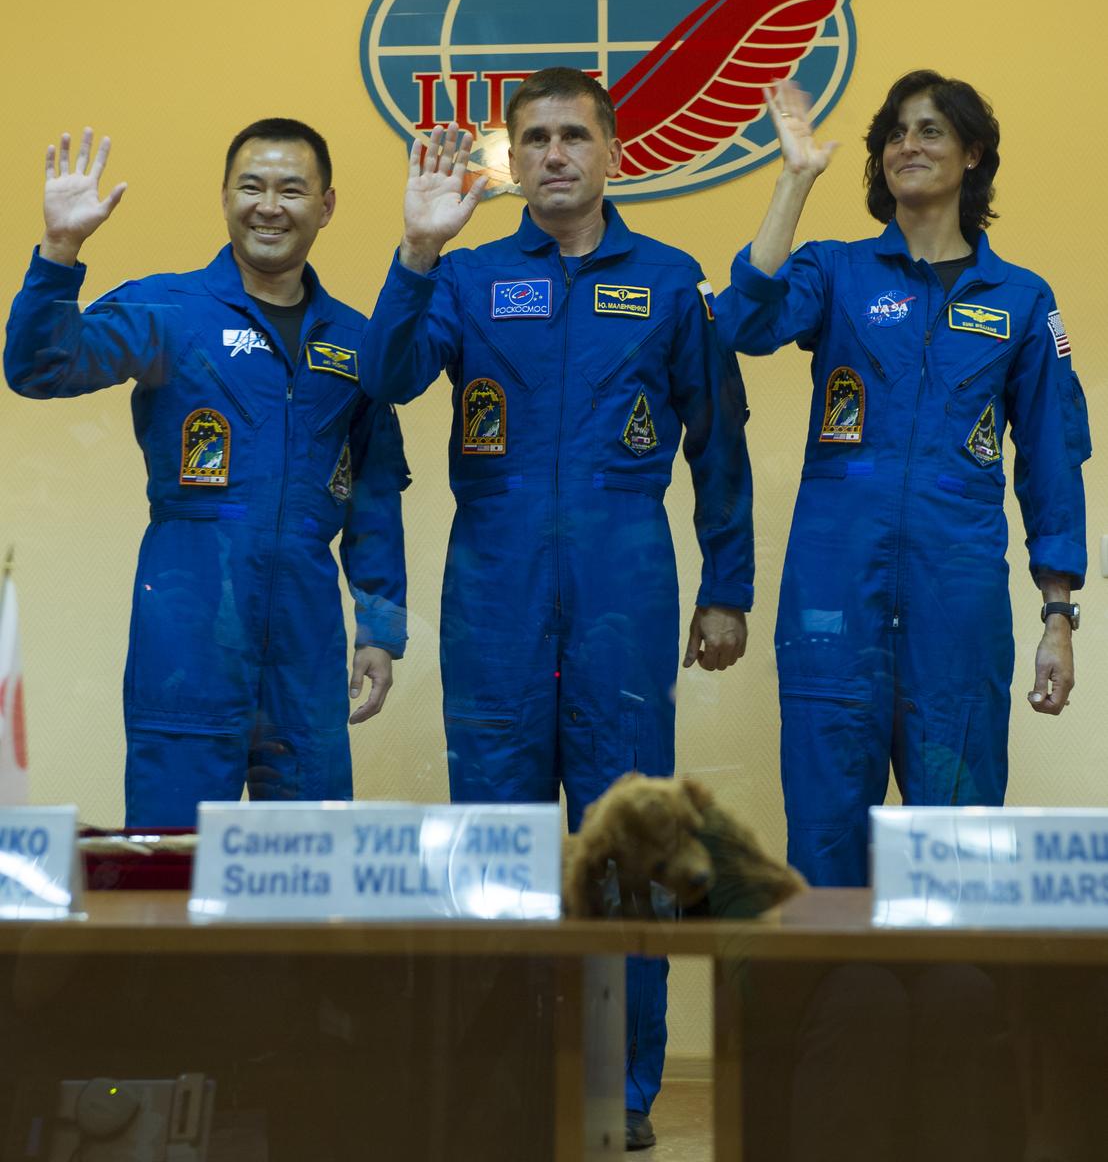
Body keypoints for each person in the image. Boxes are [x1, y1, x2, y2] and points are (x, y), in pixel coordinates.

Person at [360, 67, 755, 1148]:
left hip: (625, 581)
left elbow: (719, 446)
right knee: (497, 840)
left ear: (613, 150)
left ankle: (621, 1092)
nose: (553, 155)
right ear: (513, 160)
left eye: (573, 135)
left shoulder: (672, 282)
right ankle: (500, 1086)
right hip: (494, 582)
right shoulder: (471, 276)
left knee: (626, 841)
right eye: (531, 138)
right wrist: (418, 251)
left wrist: (727, 587)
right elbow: (388, 377)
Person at [714, 71, 1090, 887]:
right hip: (833, 591)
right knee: (823, 841)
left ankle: (954, 1016)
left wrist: (1058, 615)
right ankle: (828, 1014)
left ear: (973, 154)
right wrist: (794, 179)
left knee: (956, 846)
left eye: (929, 131)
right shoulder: (837, 270)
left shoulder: (1022, 300)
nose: (906, 147)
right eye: (894, 135)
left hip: (956, 596)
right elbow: (743, 322)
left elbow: (1054, 465)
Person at [4, 119, 409, 827]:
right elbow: (40, 368)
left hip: (305, 640)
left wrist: (379, 628)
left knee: (308, 862)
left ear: (327, 205)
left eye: (291, 188)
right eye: (251, 186)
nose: (269, 205)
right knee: (171, 853)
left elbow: (373, 498)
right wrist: (60, 250)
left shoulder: (356, 341)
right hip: (187, 624)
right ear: (224, 197)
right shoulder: (168, 311)